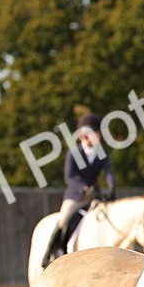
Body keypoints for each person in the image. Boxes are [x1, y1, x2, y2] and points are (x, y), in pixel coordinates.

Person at [42, 113, 116, 267]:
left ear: (98, 135)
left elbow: (108, 173)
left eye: (90, 135)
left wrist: (112, 188)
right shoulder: (73, 153)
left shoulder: (102, 154)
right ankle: (52, 251)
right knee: (64, 219)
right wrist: (83, 187)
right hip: (75, 196)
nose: (86, 138)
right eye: (84, 135)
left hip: (94, 195)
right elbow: (69, 177)